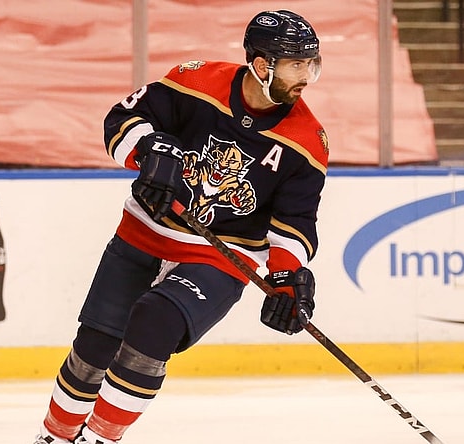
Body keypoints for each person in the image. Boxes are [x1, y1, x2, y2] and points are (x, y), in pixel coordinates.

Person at [34, 9, 328, 444]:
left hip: (223, 253)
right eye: (296, 64)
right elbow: (122, 120)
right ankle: (55, 437)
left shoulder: (306, 141)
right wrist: (151, 151)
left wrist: (287, 276)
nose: (307, 75)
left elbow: (294, 223)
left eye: (312, 63)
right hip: (145, 231)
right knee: (94, 346)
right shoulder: (195, 81)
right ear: (262, 65)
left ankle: (100, 439)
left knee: (156, 321)